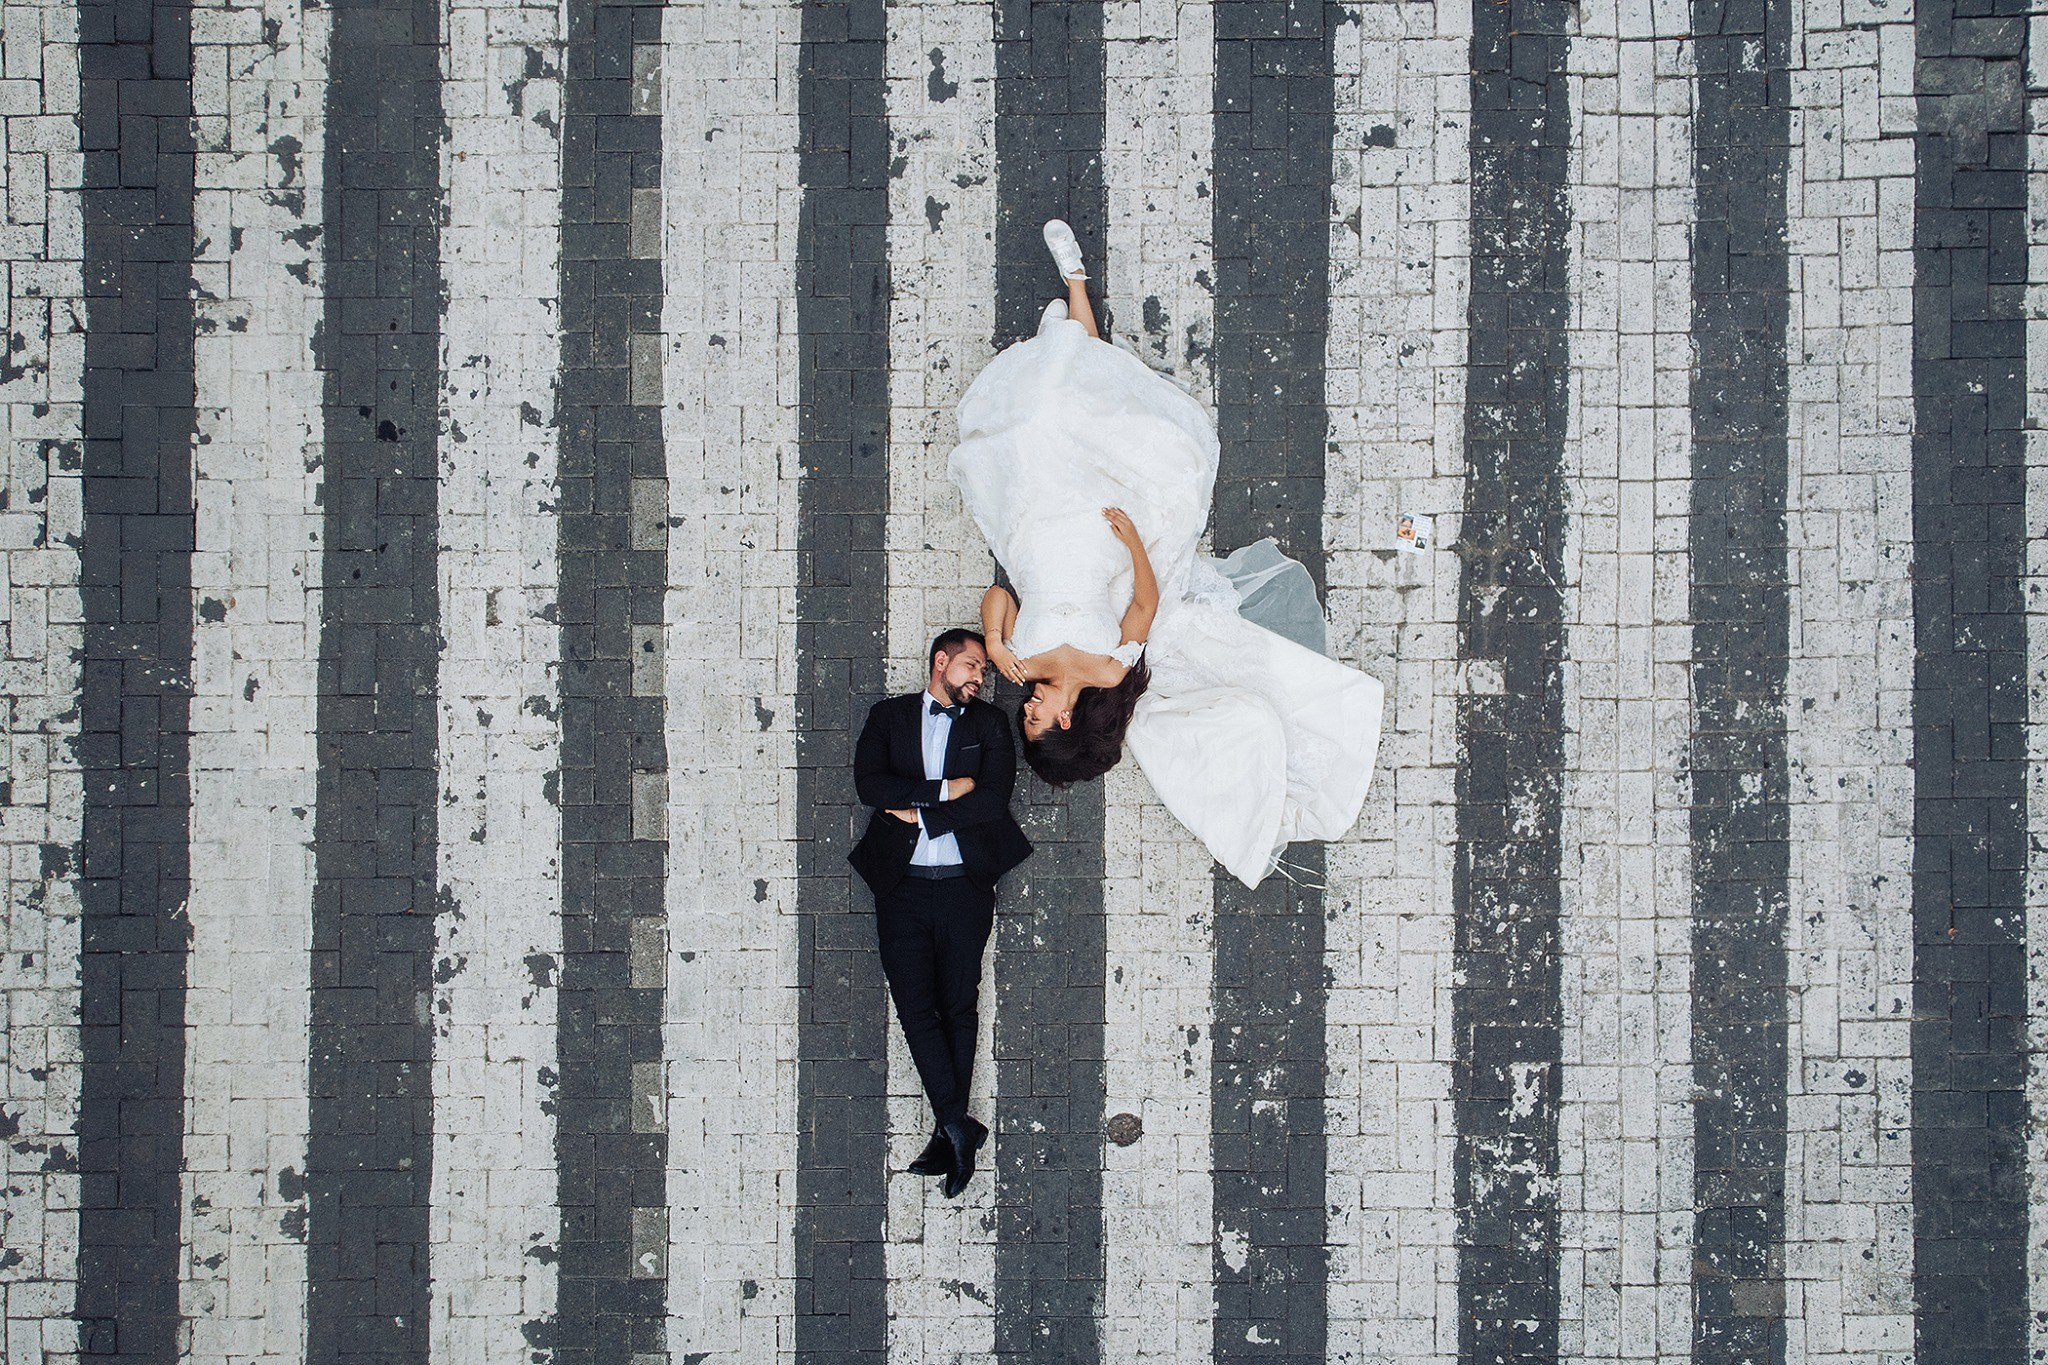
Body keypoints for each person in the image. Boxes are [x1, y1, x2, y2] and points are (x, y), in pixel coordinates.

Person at [951, 221, 1385, 886]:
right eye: (1036, 721)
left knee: (1041, 423)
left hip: (1036, 529)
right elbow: (1146, 604)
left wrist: (995, 633)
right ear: (1065, 720)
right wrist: (1131, 542)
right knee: (1094, 422)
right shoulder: (1108, 667)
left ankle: (1069, 324)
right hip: (1098, 538)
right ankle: (1076, 290)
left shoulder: (1022, 661)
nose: (1026, 709)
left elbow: (1001, 591)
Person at [848, 628, 1031, 1198]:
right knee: (913, 1006)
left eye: (984, 672)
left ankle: (951, 1128)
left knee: (957, 1002)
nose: (980, 678)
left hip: (963, 885)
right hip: (899, 885)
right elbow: (869, 785)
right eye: (973, 666)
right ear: (941, 662)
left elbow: (992, 798)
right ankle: (956, 1124)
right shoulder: (889, 716)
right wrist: (946, 789)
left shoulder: (990, 725)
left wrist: (919, 809)